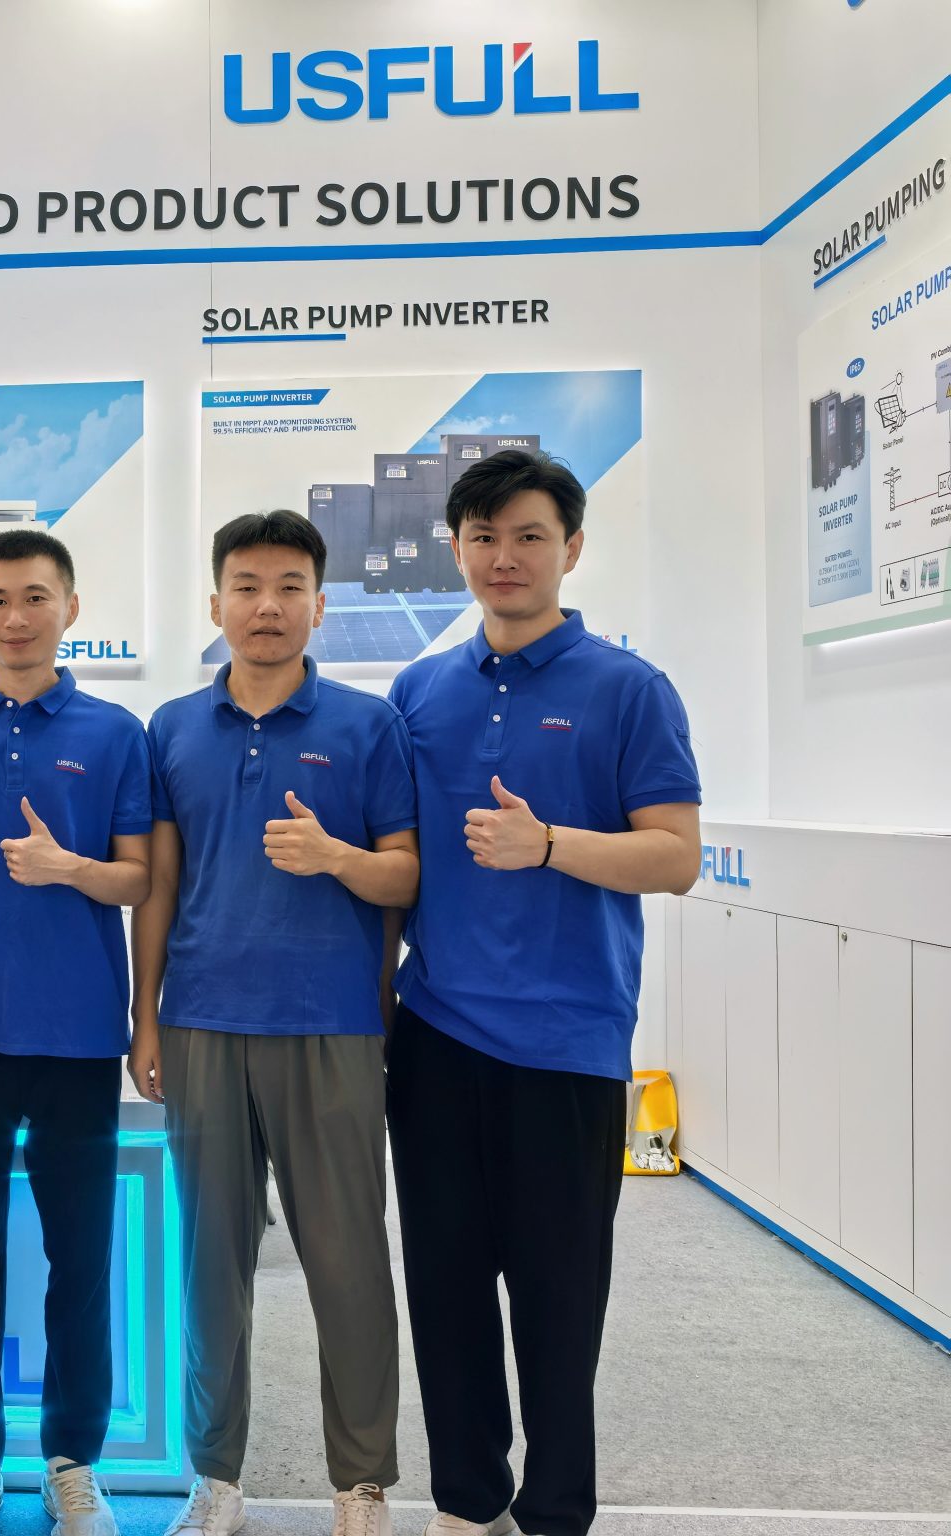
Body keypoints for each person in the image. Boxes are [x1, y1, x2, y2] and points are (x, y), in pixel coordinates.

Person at [385, 450, 701, 1536]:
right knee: (445, 1291)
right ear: (456, 549)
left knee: (559, 1302)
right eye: (482, 537)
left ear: (570, 547)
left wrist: (552, 844)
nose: (503, 557)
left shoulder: (627, 689)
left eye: (528, 535)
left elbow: (675, 856)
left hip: (566, 1041)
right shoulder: (420, 691)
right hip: (434, 1033)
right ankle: (466, 1499)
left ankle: (556, 1510)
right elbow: (401, 862)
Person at [130, 512, 418, 1536]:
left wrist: (335, 857)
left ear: (319, 605)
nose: (266, 606)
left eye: (289, 586)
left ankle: (361, 1483)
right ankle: (216, 1477)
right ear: (214, 604)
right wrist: (145, 1017)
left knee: (348, 1265)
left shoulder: (367, 725)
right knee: (211, 1270)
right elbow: (159, 886)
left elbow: (404, 876)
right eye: (246, 587)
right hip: (202, 1023)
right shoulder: (170, 728)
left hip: (329, 1025)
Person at [0, 529, 153, 1536]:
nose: (16, 616)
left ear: (70, 608)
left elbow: (137, 879)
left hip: (77, 1035)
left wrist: (69, 870)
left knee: (78, 1257)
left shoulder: (115, 732)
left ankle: (71, 1461)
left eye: (35, 597)